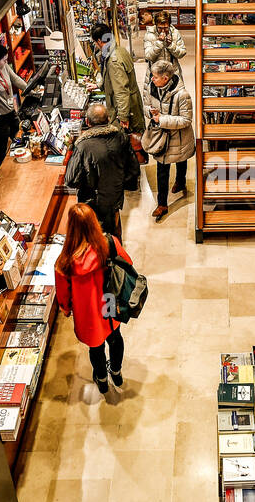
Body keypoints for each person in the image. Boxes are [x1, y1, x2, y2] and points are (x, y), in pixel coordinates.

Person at [54, 202, 132, 396]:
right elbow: (128, 263)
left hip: (86, 312)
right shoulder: (109, 244)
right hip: (109, 302)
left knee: (95, 348)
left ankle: (102, 379)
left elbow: (63, 295)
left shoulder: (65, 261)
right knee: (115, 338)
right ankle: (116, 372)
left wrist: (66, 308)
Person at [64, 102, 141, 235]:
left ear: (87, 122)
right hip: (115, 197)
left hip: (93, 202)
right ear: (108, 119)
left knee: (96, 236)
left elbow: (71, 180)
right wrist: (117, 182)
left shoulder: (83, 146)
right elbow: (134, 169)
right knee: (114, 232)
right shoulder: (121, 137)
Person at [143, 58, 195, 221]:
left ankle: (181, 181)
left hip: (179, 137)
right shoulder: (152, 88)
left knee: (181, 160)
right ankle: (162, 204)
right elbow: (145, 105)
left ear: (166, 78)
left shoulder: (182, 95)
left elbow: (186, 120)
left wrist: (162, 120)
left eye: (155, 77)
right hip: (161, 139)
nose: (152, 79)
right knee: (162, 170)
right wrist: (149, 111)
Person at [90, 19, 146, 134]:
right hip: (131, 103)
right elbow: (112, 77)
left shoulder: (113, 61)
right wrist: (98, 85)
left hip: (126, 108)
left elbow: (121, 91)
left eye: (95, 43)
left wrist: (123, 116)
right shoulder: (118, 50)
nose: (96, 45)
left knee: (131, 140)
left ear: (100, 41)